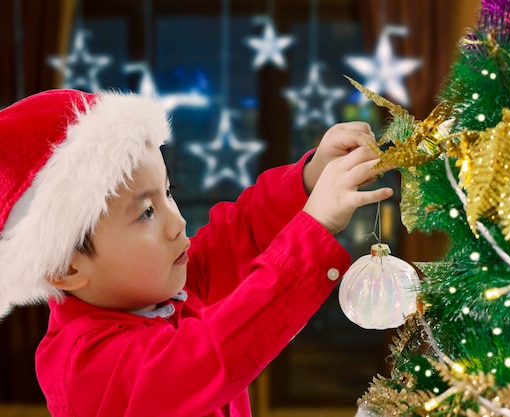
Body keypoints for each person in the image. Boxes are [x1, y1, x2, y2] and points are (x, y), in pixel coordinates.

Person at [0, 88, 393, 416]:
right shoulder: (86, 367)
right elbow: (210, 355)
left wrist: (311, 178)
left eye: (167, 192)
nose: (177, 222)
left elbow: (238, 237)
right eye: (146, 213)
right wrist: (314, 226)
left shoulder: (160, 290)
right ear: (65, 268)